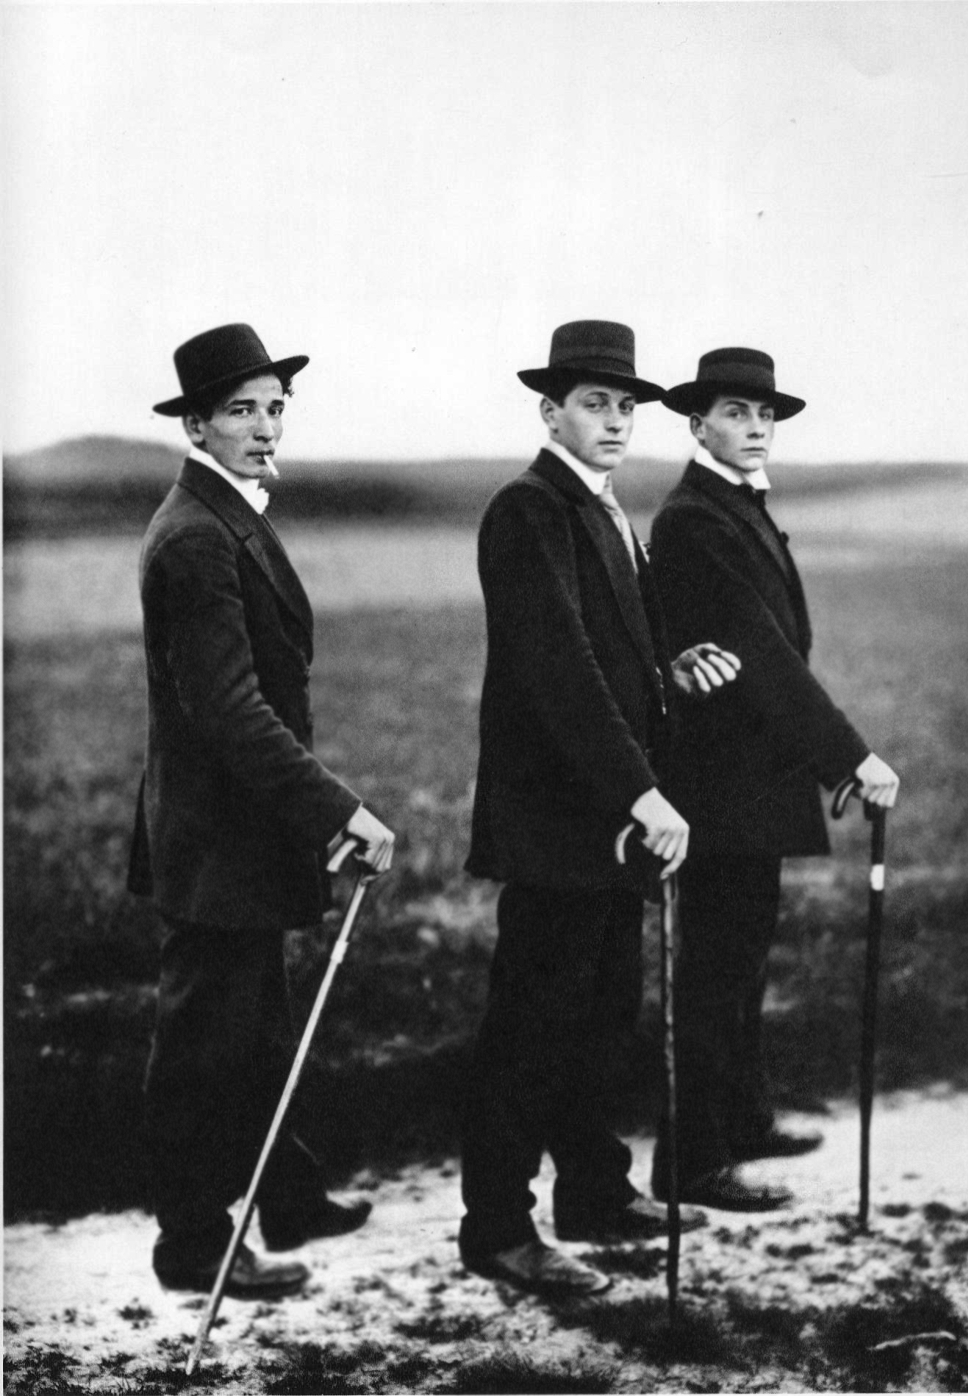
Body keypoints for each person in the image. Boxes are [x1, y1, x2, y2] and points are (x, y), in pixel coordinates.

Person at [460, 320, 741, 1296]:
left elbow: (615, 654)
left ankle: (593, 1190)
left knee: (601, 1019)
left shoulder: (608, 511)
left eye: (625, 404)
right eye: (594, 402)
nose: (616, 419)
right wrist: (642, 790)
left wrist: (670, 669)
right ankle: (497, 1227)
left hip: (607, 825)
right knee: (532, 1026)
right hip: (557, 825)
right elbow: (560, 672)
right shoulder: (527, 510)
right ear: (551, 411)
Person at [128, 323, 395, 1297]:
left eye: (276, 407)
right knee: (204, 1044)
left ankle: (285, 1196)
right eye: (242, 409)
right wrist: (339, 811)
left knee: (257, 1024)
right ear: (196, 421)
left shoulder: (224, 513)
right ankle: (191, 1244)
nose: (265, 425)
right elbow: (231, 708)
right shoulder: (196, 534)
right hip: (214, 839)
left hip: (240, 832)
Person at [648, 347, 900, 1212]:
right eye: (736, 413)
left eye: (766, 416)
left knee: (743, 956)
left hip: (754, 779)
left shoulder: (732, 507)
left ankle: (744, 1120)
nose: (756, 428)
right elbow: (762, 655)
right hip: (719, 784)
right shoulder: (694, 519)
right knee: (716, 968)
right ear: (697, 424)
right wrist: (849, 757)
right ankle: (693, 1161)